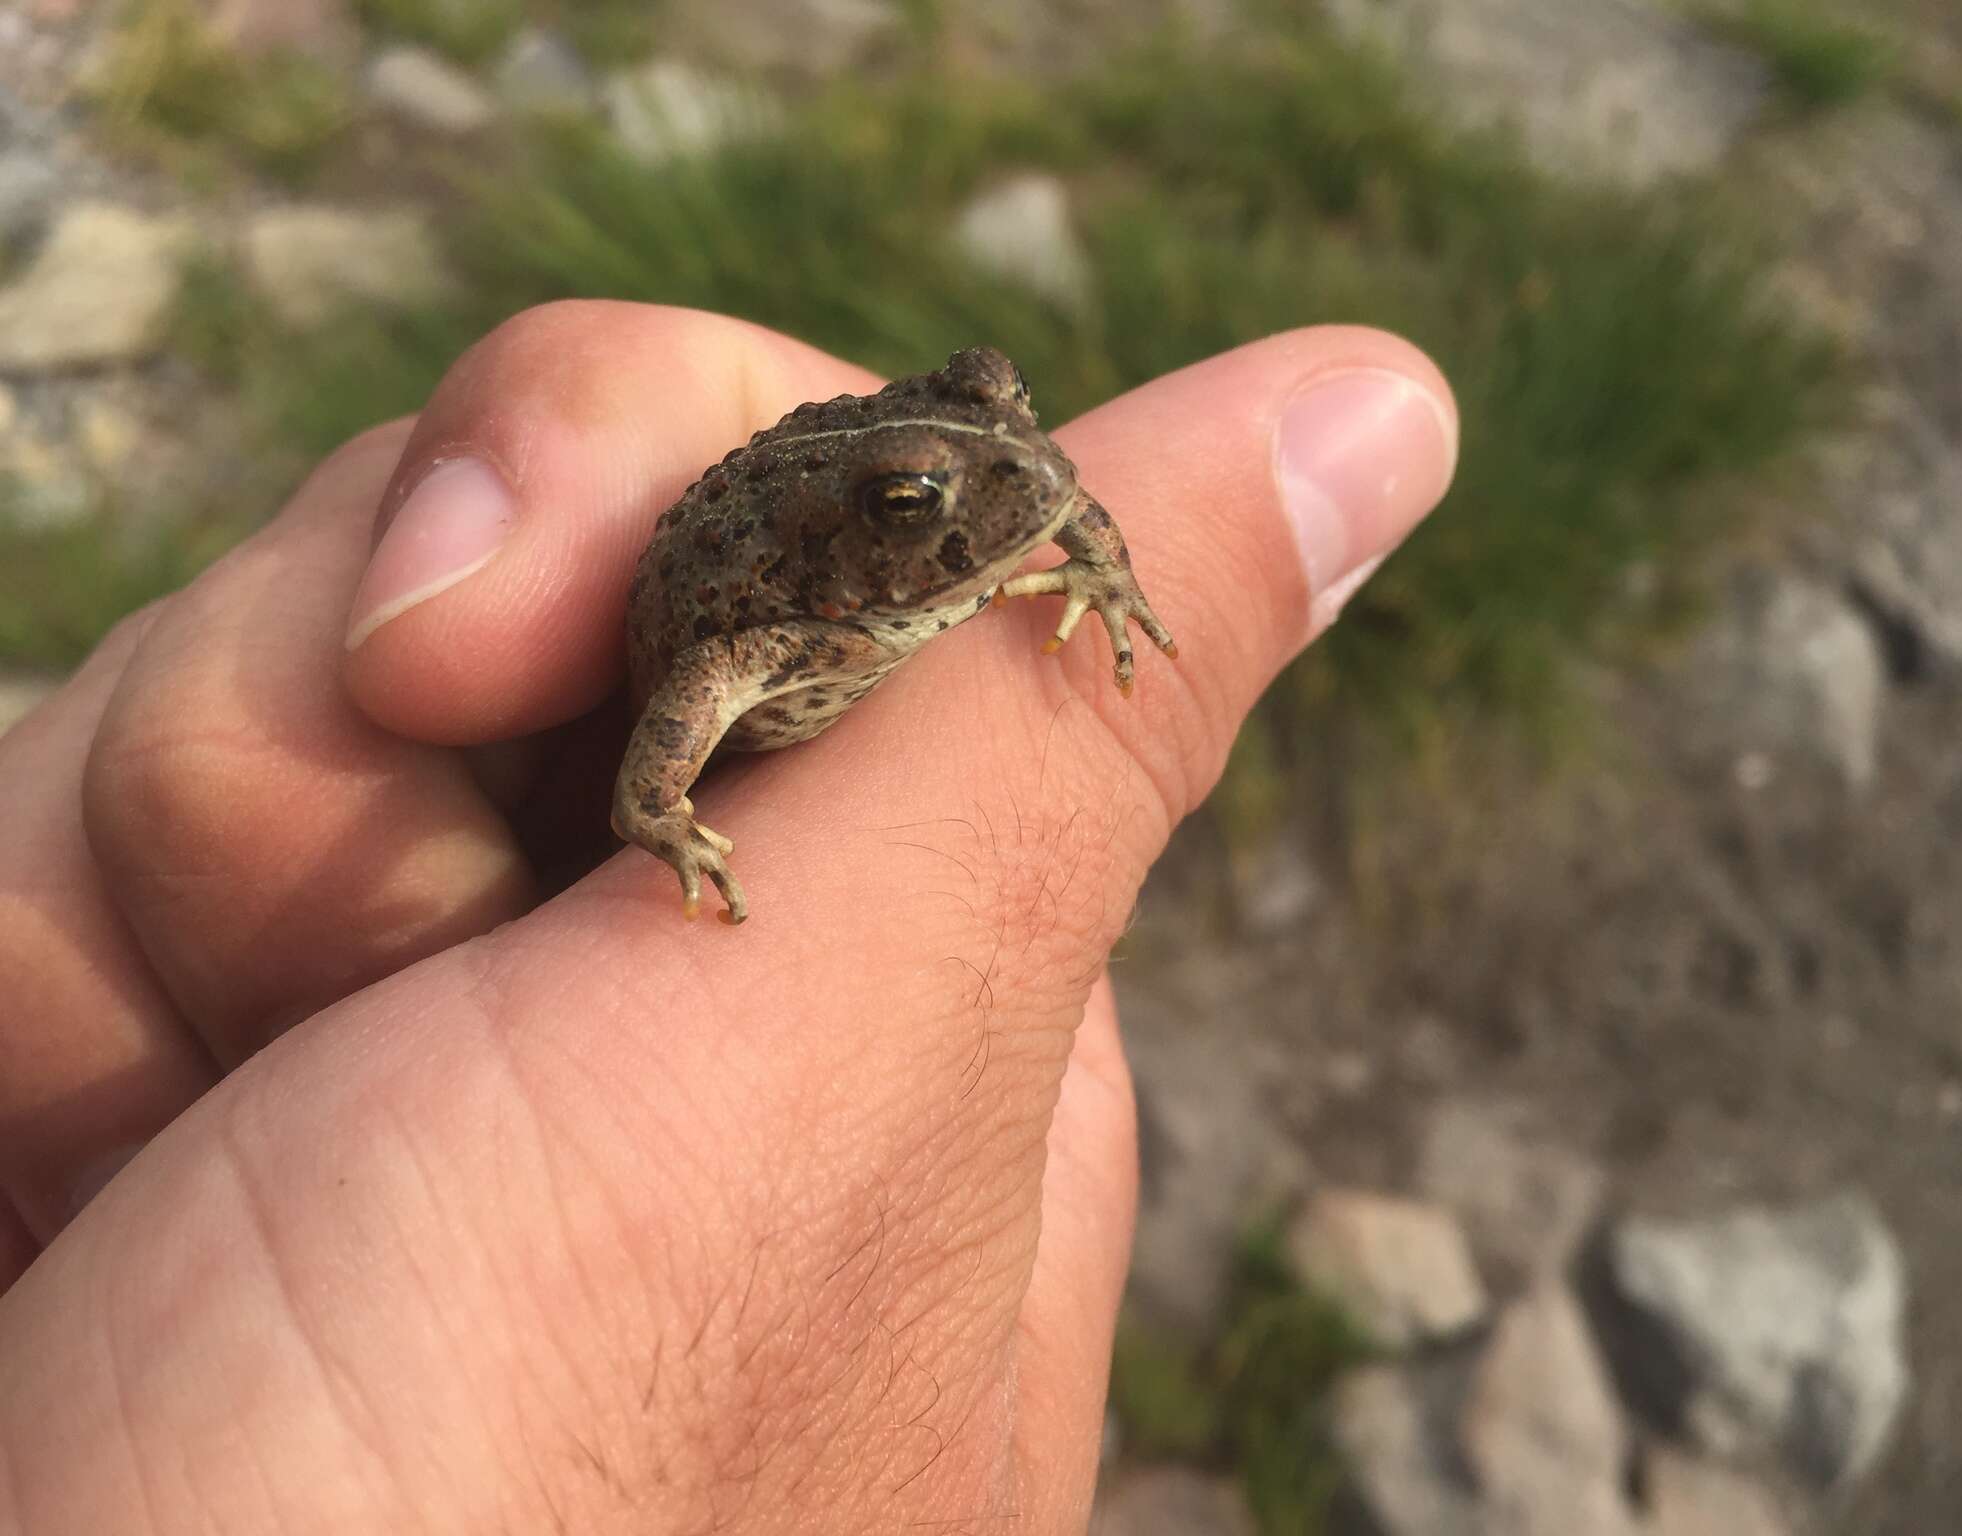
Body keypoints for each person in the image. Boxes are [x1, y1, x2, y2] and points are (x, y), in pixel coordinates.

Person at [0, 304, 1456, 1532]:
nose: (1029, 473)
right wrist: (672, 833)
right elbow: (659, 768)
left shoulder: (1012, 492)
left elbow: (1051, 491)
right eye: (915, 505)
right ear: (859, 539)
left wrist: (1102, 573)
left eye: (1005, 416)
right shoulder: (770, 623)